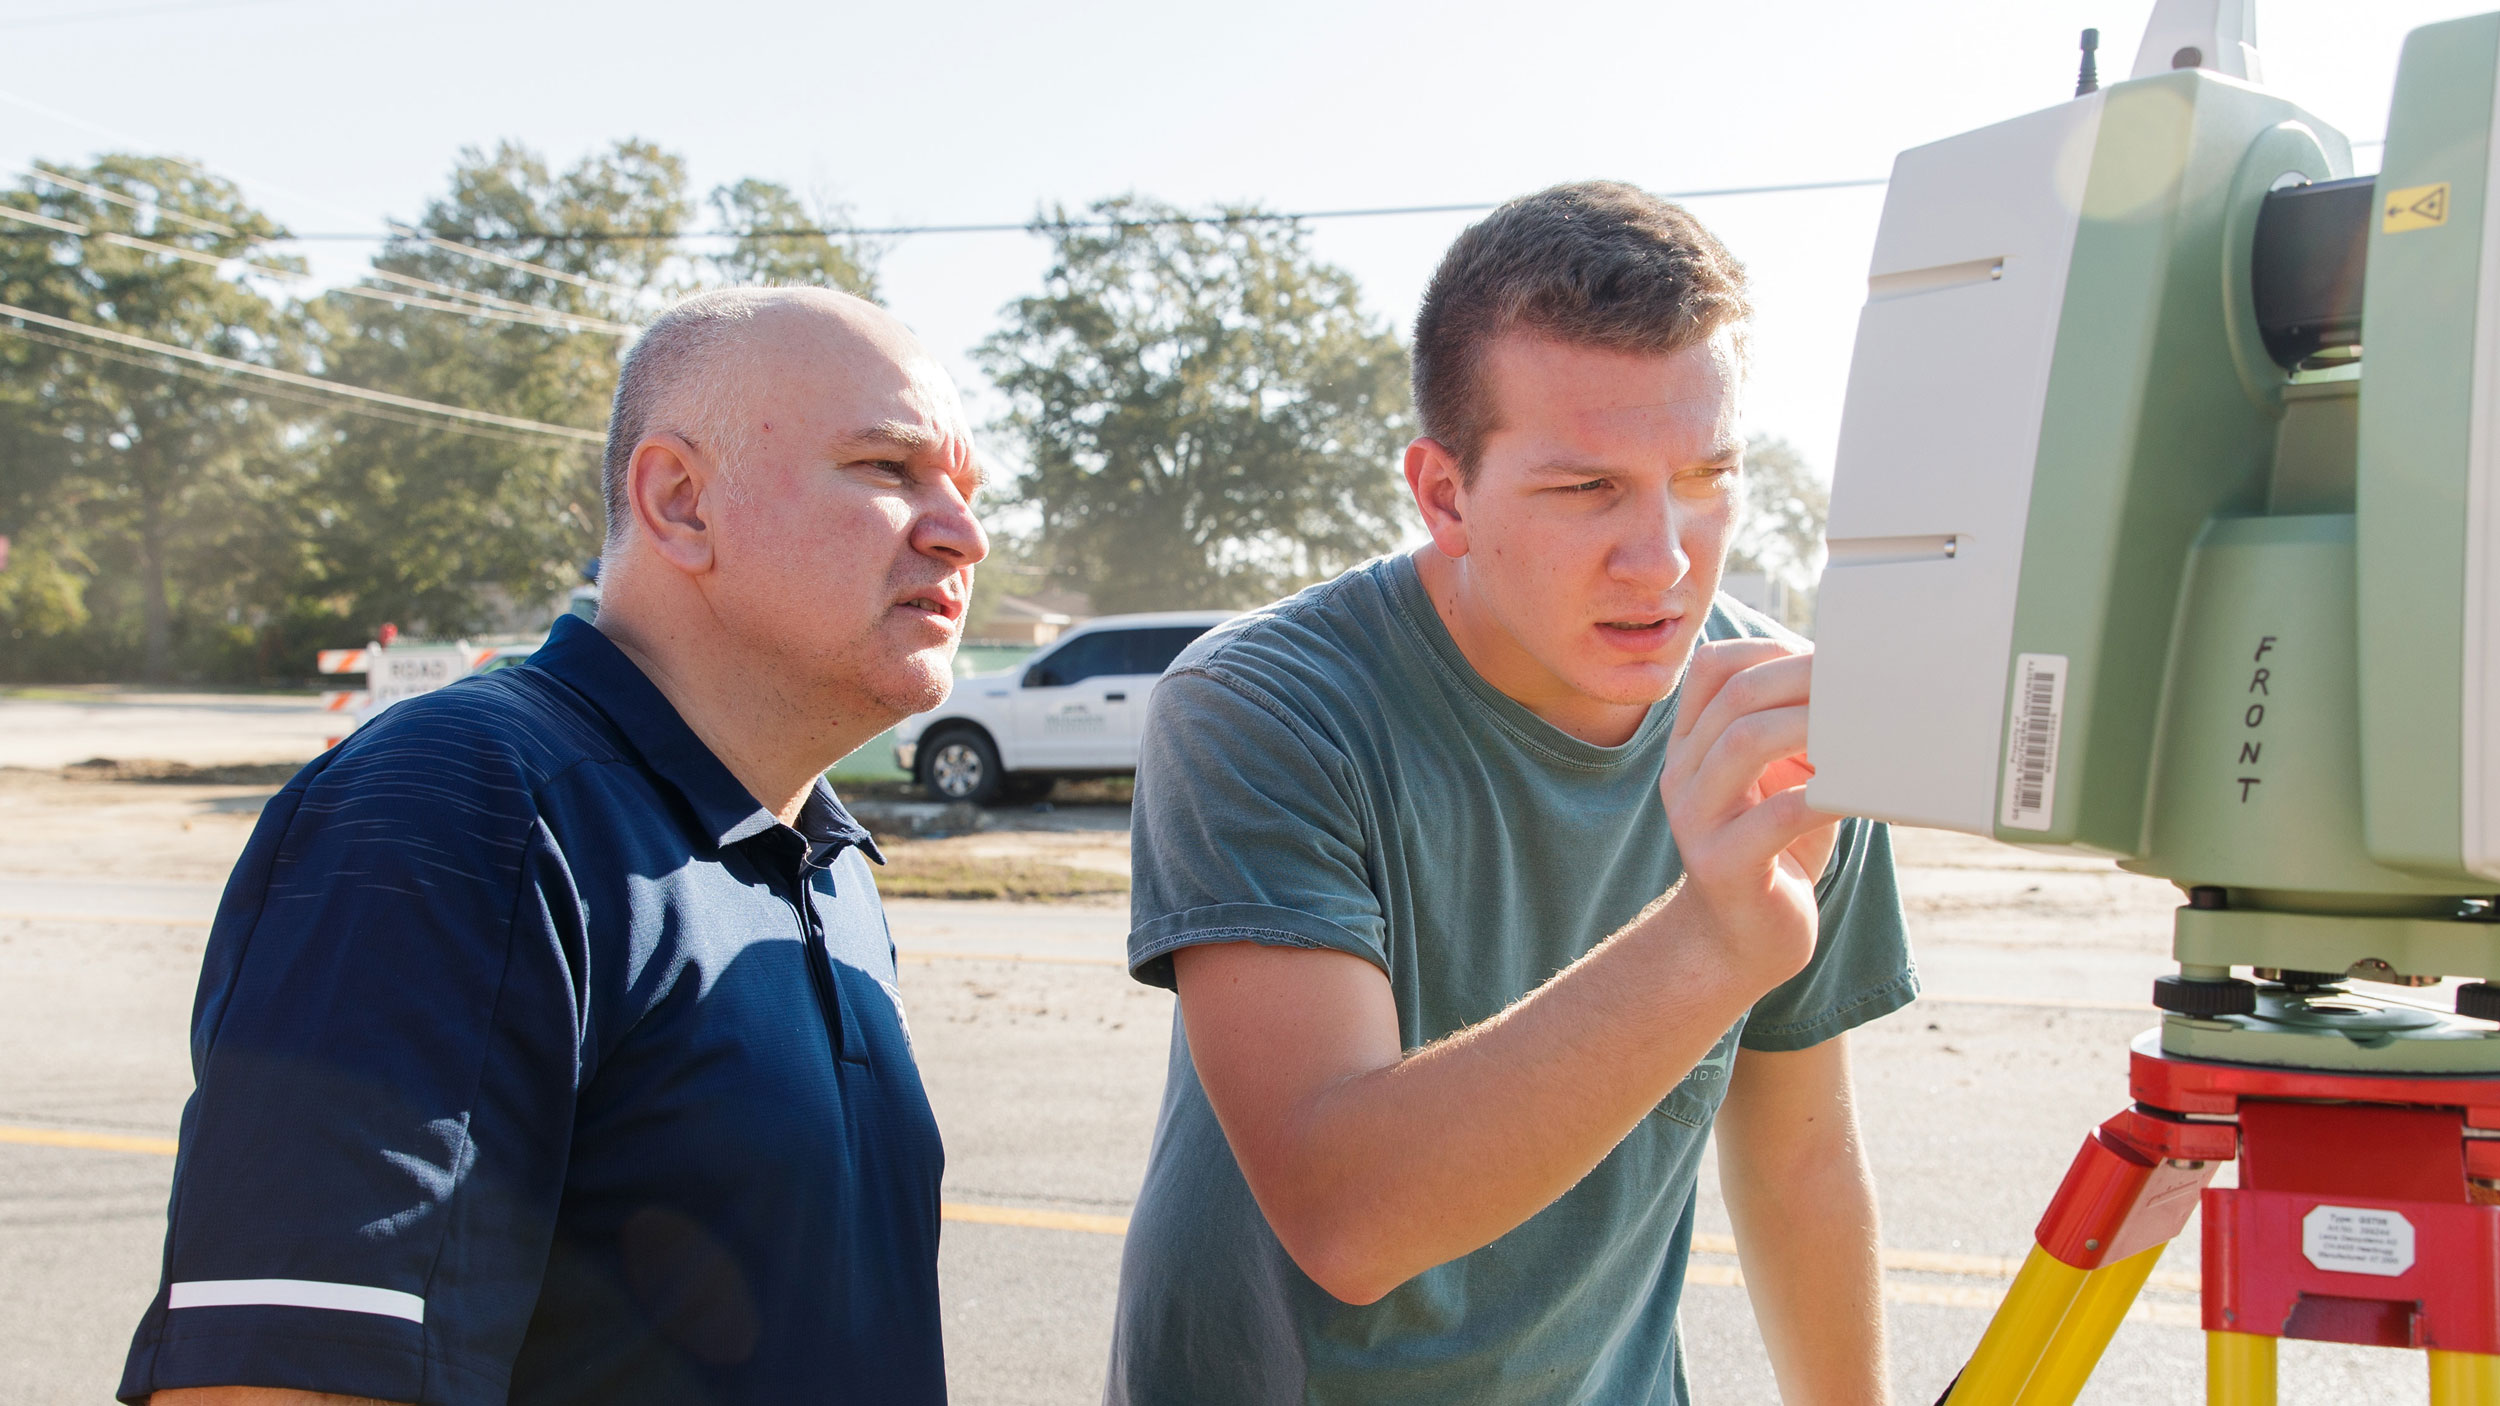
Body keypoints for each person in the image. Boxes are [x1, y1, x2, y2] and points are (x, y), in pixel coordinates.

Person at [1106, 182, 1914, 1404]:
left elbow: (1797, 1155)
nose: (1663, 557)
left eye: (1704, 473)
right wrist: (1711, 940)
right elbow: (1349, 1216)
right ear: (1443, 494)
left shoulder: (1767, 717)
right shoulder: (1260, 704)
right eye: (1585, 488)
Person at [119, 287, 987, 1406]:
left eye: (964, 489)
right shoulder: (469, 808)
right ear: (679, 500)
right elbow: (288, 1383)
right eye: (888, 467)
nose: (960, 530)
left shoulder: (814, 857)